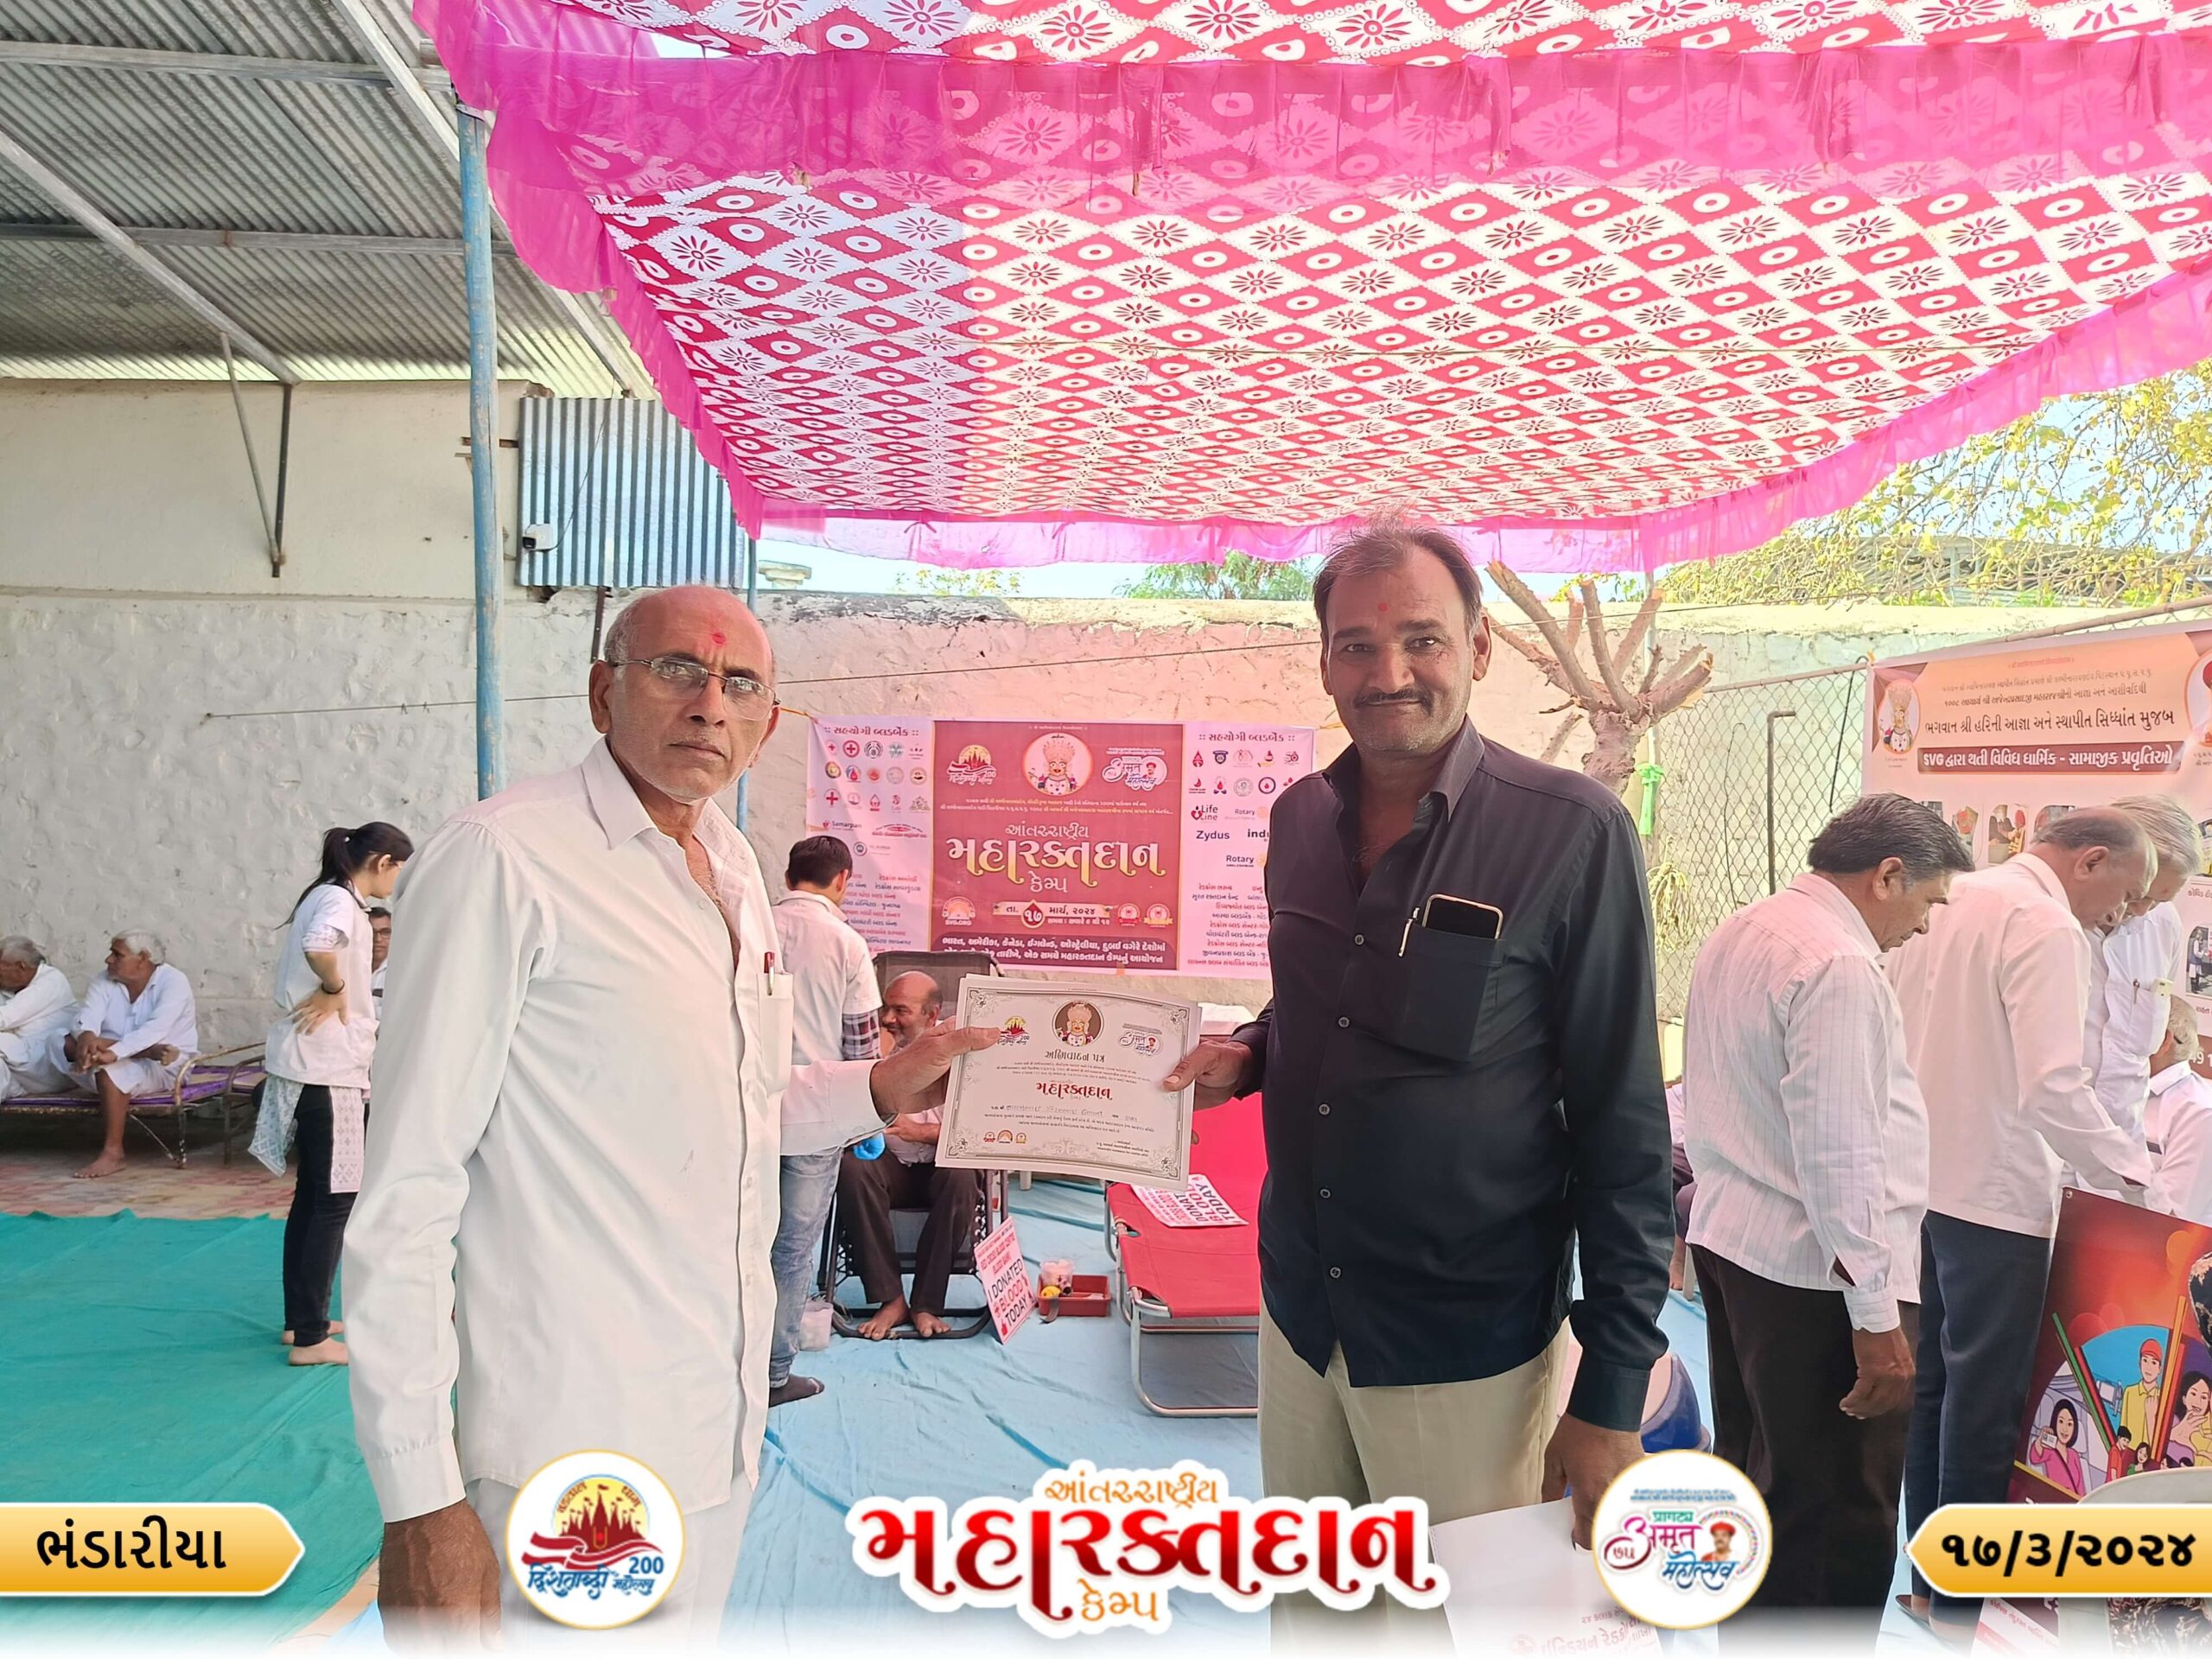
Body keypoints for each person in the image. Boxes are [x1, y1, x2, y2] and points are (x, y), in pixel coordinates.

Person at [341, 587, 995, 1647]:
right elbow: (407, 1184)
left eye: (741, 684)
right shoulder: (505, 860)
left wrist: (883, 1085)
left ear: (766, 725)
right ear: (603, 693)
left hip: (717, 1424)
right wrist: (418, 1497)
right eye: (677, 671)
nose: (709, 704)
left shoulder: (732, 870)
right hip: (571, 1435)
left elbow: (744, 1107)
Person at [1160, 517, 1672, 1633]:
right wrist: (1251, 1052)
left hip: (1466, 1347)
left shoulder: (1570, 832)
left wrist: (1611, 1390)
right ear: (1324, 661)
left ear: (1478, 650)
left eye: (1421, 640)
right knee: (1315, 1621)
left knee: (1463, 1634)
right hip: (1303, 1317)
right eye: (1356, 644)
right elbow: (1319, 1001)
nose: (1388, 673)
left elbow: (1624, 1121)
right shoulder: (1299, 820)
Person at [1682, 793, 1971, 1628]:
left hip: (1741, 1244)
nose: (1924, 924)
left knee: (1765, 1483)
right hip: (1817, 1275)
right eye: (1928, 901)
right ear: (1887, 876)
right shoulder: (1837, 966)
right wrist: (1875, 1316)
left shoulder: (1751, 927)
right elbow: (1840, 1154)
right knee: (1837, 1511)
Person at [1888, 807, 2158, 1637]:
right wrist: (2132, 1171)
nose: (2124, 916)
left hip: (1922, 1182)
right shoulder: (2044, 924)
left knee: (1936, 1389)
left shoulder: (1951, 897)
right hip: (1997, 1198)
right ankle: (1960, 1609)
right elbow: (2051, 1087)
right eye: (2129, 895)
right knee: (1984, 1405)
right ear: (2091, 861)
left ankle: (1928, 1588)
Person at [249, 823, 412, 1368]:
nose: (398, 884)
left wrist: (332, 985)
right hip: (327, 1069)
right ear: (384, 863)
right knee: (334, 1199)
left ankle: (303, 1321)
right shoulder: (341, 901)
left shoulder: (329, 895)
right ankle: (312, 1336)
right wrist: (334, 987)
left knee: (315, 1196)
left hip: (315, 1064)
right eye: (399, 871)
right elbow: (321, 947)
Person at [766, 834, 882, 1406]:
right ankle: (771, 1374)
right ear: (842, 881)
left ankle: (717, 1367)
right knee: (792, 1249)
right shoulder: (847, 944)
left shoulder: (750, 925)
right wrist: (867, 1124)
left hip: (742, 1105)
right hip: (814, 1116)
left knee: (731, 1238)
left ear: (790, 876)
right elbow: (862, 1050)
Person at [835, 970, 983, 1340]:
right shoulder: (873, 1055)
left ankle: (926, 1303)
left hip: (942, 1171)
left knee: (962, 1173)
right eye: (885, 1009)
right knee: (853, 1168)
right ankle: (891, 1299)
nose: (888, 1019)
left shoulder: (967, 1063)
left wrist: (919, 1132)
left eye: (900, 1010)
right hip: (892, 1168)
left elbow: (979, 1135)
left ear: (931, 1016)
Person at [2084, 798, 2200, 1144]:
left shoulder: (2163, 924)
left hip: (2120, 1150)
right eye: (2139, 894)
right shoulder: (2045, 922)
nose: (2141, 910)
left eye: (2159, 901)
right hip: (2035, 1154)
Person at [53, 932, 199, 1179]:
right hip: (112, 1057)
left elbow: (156, 1030)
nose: (108, 959)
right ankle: (122, 1051)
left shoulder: (174, 982)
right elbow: (88, 1015)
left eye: (117, 954)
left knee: (110, 1069)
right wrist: (87, 1037)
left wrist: (113, 1053)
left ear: (143, 958)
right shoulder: (104, 979)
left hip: (163, 1067)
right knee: (57, 1039)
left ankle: (114, 1153)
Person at [2147, 1001, 2212, 1227]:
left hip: (2153, 1242)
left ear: (2164, 1041)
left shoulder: (2200, 1112)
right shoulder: (2118, 1088)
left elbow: (2170, 1217)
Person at [0, 936, 75, 1100]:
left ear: (21, 966)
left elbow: (4, 1018)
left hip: (47, 1065)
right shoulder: (8, 987)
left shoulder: (51, 980)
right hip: (19, 1068)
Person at [2027, 1399, 2088, 1497]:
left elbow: (2081, 1490)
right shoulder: (2050, 1449)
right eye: (2061, 1421)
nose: (2065, 1429)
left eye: (2069, 1424)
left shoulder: (2074, 1455)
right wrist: (2040, 1439)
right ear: (2055, 1422)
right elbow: (2034, 1458)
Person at [2118, 1338, 2165, 1452]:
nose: (2148, 1367)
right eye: (2145, 1361)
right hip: (2130, 1453)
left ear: (2160, 1369)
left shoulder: (2163, 1398)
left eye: (2154, 1362)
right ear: (2140, 1364)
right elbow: (2123, 1428)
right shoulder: (2130, 1392)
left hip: (2149, 1456)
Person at [2164, 1372, 2212, 1467]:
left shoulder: (2205, 1431)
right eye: (2193, 1394)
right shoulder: (2172, 1421)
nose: (2198, 1402)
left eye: (2203, 1397)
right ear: (2184, 1398)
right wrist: (2173, 1435)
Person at [368, 907, 391, 1003]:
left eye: (385, 932)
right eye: (372, 932)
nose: (378, 939)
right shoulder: (348, 968)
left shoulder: (399, 971)